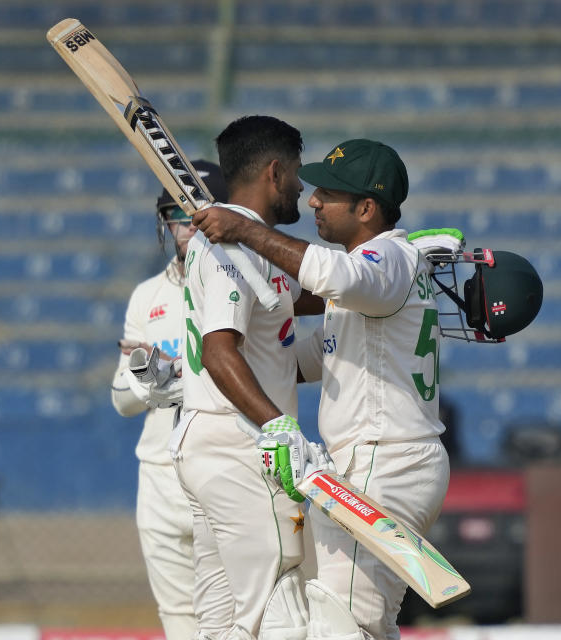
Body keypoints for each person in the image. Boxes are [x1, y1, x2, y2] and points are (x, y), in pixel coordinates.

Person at [192, 139, 451, 640]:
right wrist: (211, 360)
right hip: (383, 461)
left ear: (367, 208)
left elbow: (334, 275)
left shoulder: (383, 259)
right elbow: (301, 363)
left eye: (327, 193)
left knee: (340, 623)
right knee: (363, 622)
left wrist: (245, 230)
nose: (312, 201)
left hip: (384, 460)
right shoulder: (372, 277)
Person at [171, 115, 324, 640]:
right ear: (275, 172)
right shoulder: (227, 249)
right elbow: (219, 352)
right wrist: (279, 426)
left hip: (211, 445)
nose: (302, 189)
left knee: (221, 621)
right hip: (237, 445)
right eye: (298, 174)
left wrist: (394, 267)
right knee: (280, 614)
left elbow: (326, 295)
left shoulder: (252, 247)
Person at [110, 160, 229, 640]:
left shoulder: (235, 282)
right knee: (178, 622)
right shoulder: (146, 295)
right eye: (172, 216)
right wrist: (151, 375)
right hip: (158, 476)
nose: (182, 226)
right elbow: (122, 400)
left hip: (217, 469)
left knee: (227, 618)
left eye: (191, 213)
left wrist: (171, 375)